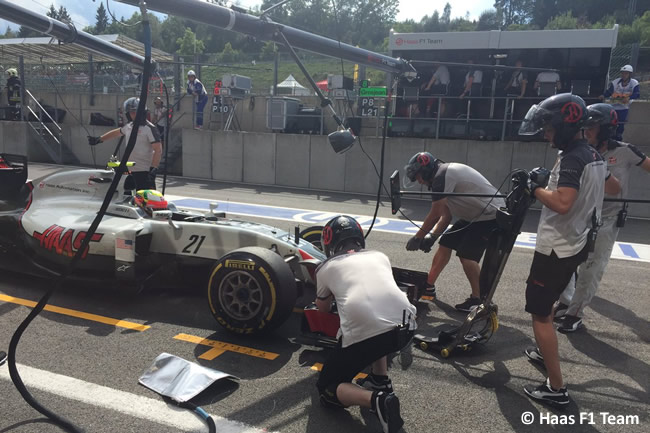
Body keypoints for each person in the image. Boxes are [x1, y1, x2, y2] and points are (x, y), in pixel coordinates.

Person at [518, 93, 611, 406]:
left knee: (539, 314)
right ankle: (547, 353)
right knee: (551, 302)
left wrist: (535, 188)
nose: (545, 133)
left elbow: (562, 202)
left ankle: (556, 388)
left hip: (556, 248)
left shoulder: (572, 156)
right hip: (577, 242)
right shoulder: (592, 154)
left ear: (564, 125)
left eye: (548, 127)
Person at [315, 215, 416, 433]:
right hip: (405, 327)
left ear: (329, 242)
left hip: (369, 333)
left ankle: (377, 400)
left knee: (327, 388)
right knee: (376, 323)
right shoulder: (380, 256)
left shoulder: (325, 267)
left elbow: (322, 308)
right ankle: (380, 380)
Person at [555, 103, 649, 332]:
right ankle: (567, 301)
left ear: (606, 128)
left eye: (592, 126)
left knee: (592, 267)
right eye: (584, 126)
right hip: (580, 214)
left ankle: (574, 313)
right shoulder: (577, 150)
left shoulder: (625, 150)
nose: (586, 131)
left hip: (608, 218)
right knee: (563, 259)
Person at [403, 152, 505, 312]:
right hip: (475, 215)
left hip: (490, 215)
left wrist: (418, 237)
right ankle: (428, 286)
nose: (420, 181)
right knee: (445, 243)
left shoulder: (442, 176)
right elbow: (446, 215)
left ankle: (480, 300)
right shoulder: (441, 176)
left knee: (467, 256)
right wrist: (432, 238)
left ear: (426, 170)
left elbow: (435, 213)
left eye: (419, 176)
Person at [87, 97, 162, 191]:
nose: (133, 114)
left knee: (145, 198)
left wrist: (153, 169)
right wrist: (99, 139)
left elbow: (158, 150)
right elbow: (116, 132)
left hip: (144, 171)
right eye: (131, 112)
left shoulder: (149, 128)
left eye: (135, 112)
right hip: (129, 169)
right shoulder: (129, 126)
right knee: (125, 195)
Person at [599, 65, 640, 141]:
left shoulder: (634, 83)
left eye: (626, 73)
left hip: (624, 107)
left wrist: (628, 98)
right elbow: (609, 91)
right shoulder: (615, 82)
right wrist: (603, 95)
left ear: (630, 74)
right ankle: (610, 137)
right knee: (611, 122)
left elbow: (637, 94)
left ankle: (618, 137)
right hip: (614, 106)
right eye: (623, 73)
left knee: (621, 123)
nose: (624, 75)